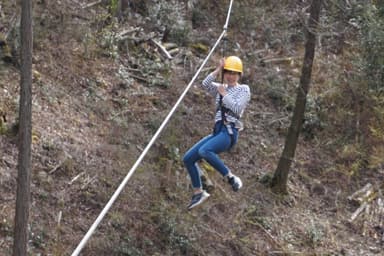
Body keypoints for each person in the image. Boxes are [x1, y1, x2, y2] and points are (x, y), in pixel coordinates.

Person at [183, 56, 251, 210]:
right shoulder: (220, 86)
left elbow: (237, 108)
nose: (230, 75)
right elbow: (205, 84)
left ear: (239, 75)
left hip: (229, 132)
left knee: (205, 151)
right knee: (188, 158)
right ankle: (198, 192)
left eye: (234, 73)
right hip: (217, 131)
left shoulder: (244, 89)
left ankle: (231, 178)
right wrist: (218, 69)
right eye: (227, 72)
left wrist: (224, 94)